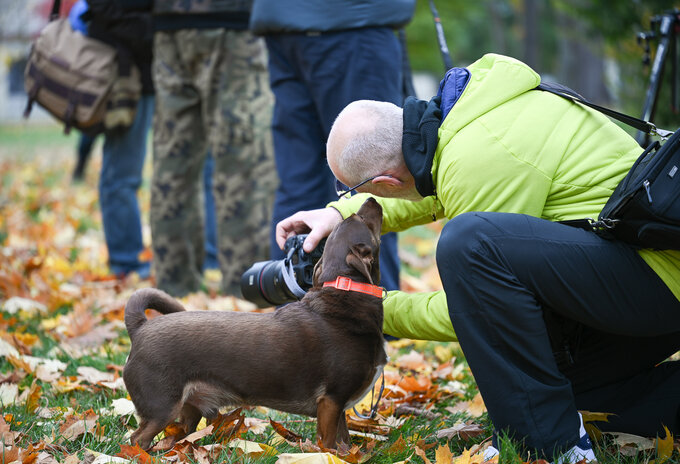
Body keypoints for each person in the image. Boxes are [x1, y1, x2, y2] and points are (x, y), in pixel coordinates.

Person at [275, 54, 680, 462]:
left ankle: (550, 447)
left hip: (659, 282)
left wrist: (362, 305)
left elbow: (472, 309)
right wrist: (337, 213)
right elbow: (429, 193)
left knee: (469, 244)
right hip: (641, 269)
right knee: (584, 396)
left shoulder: (480, 154)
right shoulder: (468, 113)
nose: (356, 200)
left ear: (383, 182)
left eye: (356, 192)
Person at [249, 0, 415, 292]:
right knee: (372, 176)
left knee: (299, 179)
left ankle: (292, 323)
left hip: (283, 22)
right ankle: (372, 320)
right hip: (354, 20)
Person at [147, 0, 276, 297]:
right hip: (231, 24)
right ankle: (246, 292)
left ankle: (173, 289)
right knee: (243, 163)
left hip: (169, 23)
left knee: (172, 163)